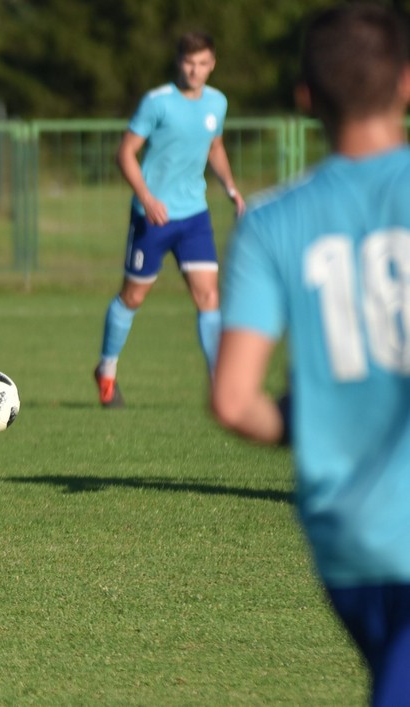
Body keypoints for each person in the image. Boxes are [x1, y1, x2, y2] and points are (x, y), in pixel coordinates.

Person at [212, 4, 410, 703]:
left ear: (305, 99)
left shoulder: (269, 222)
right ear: (405, 84)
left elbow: (234, 402)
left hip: (346, 540)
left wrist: (318, 413)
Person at [94, 31, 246, 408]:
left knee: (209, 296)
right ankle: (107, 372)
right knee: (133, 296)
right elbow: (125, 153)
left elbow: (215, 146)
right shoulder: (157, 102)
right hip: (152, 218)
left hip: (193, 215)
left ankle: (219, 387)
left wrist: (230, 186)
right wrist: (146, 197)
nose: (195, 71)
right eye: (189, 63)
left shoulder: (218, 102)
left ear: (213, 65)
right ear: (179, 63)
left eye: (203, 64)